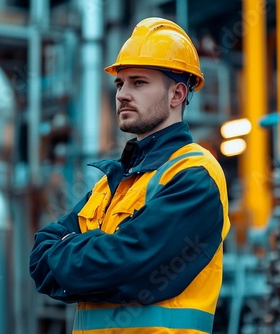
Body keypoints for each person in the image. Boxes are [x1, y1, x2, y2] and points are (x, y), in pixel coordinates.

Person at [29, 17, 230, 333]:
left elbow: (131, 267)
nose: (122, 94)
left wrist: (74, 252)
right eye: (119, 83)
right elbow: (40, 257)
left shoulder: (195, 175)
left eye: (138, 82)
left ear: (177, 95)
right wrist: (99, 255)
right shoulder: (111, 183)